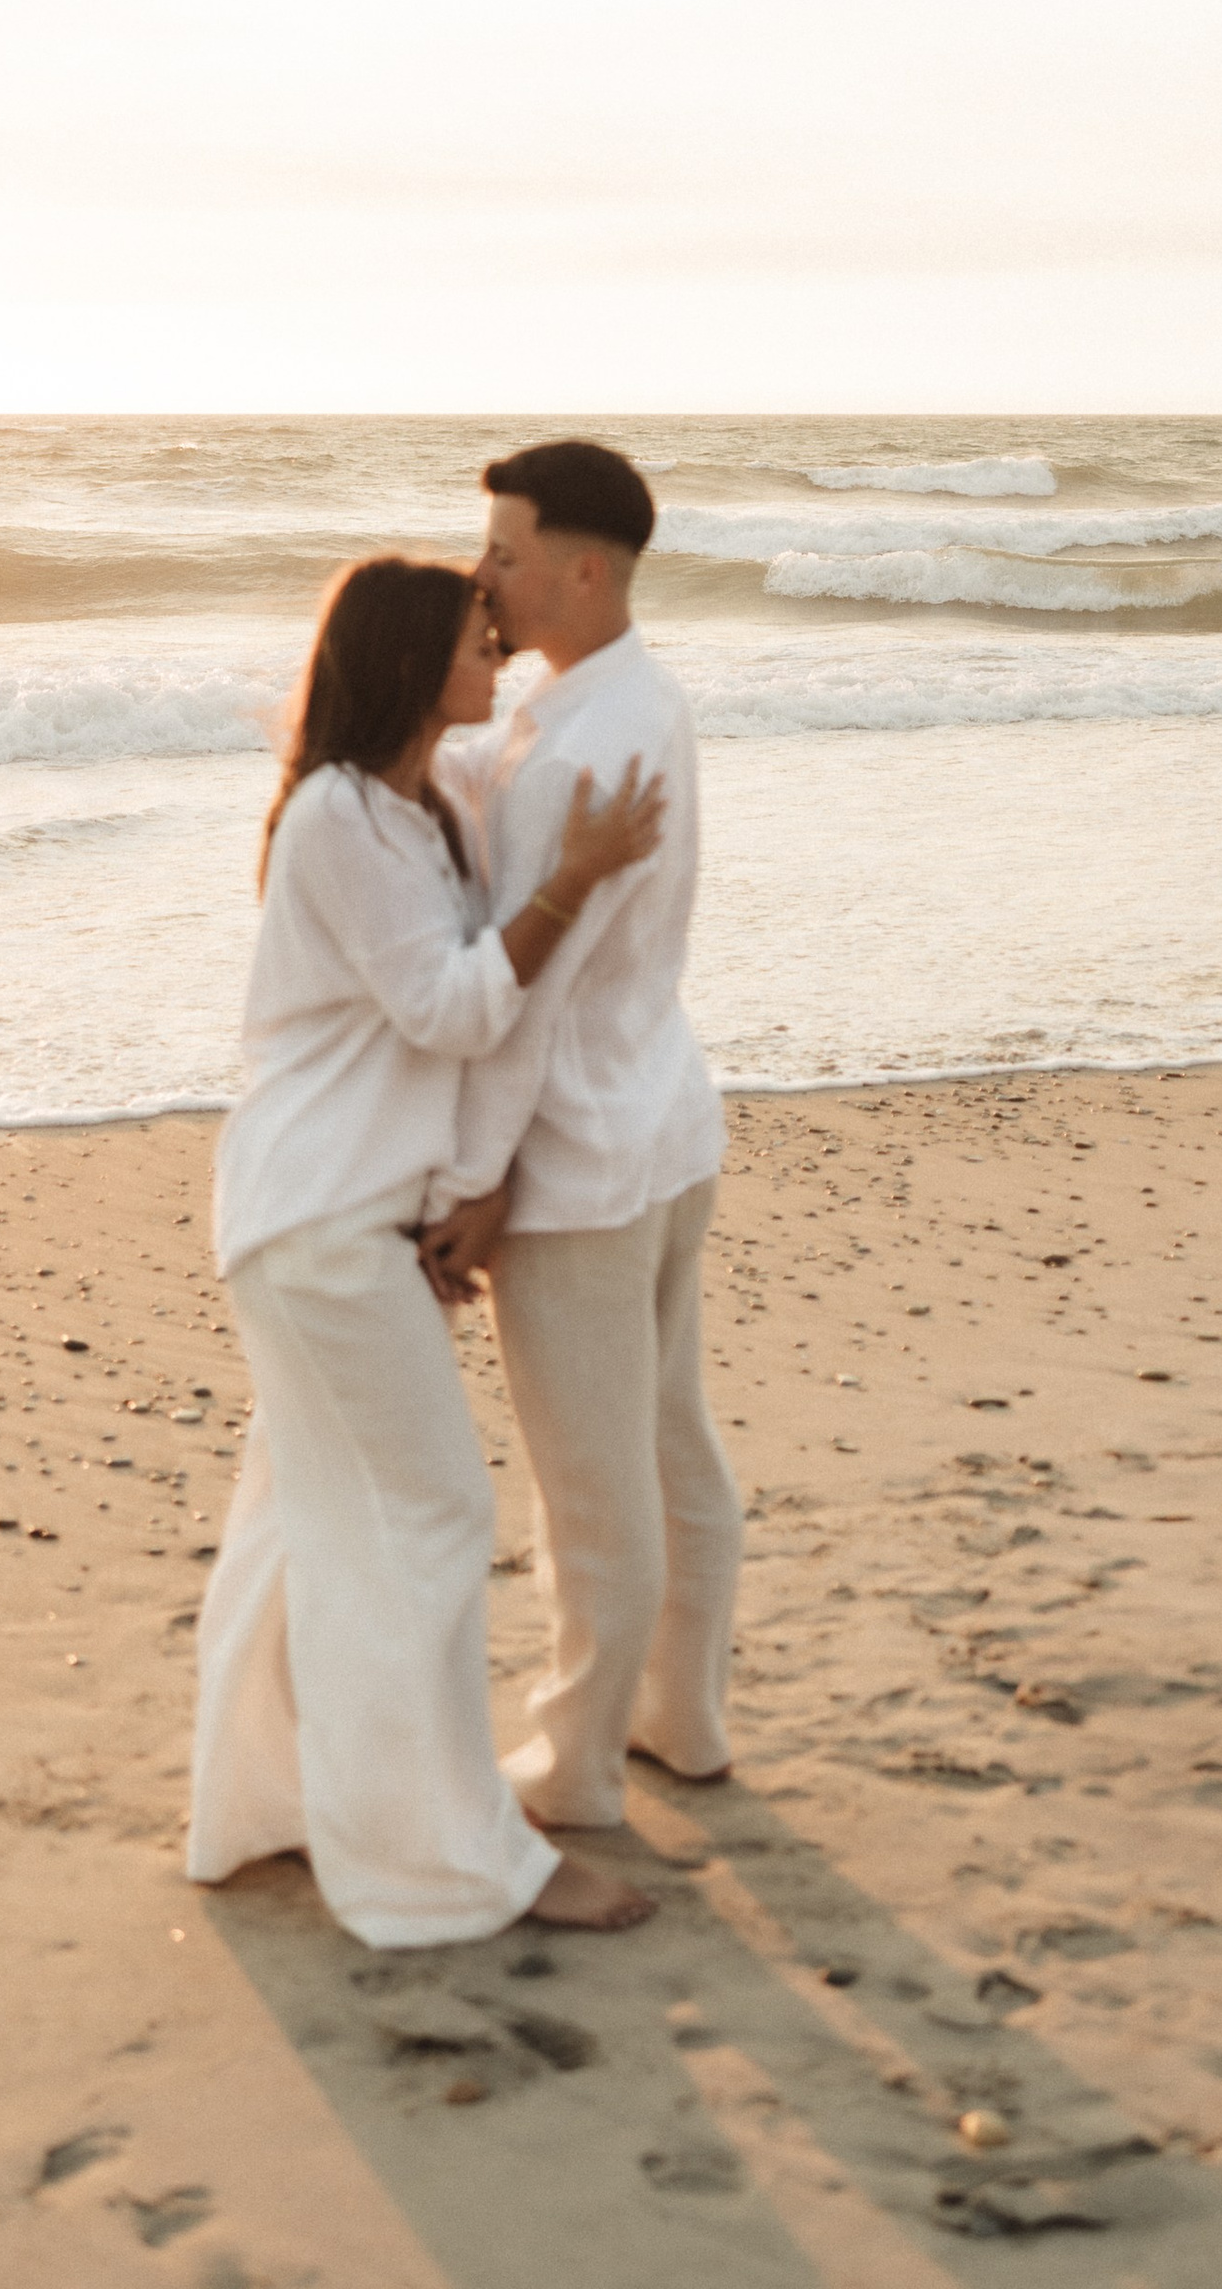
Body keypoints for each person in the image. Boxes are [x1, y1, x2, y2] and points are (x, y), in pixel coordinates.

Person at [186, 554, 666, 1948]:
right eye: (475, 638)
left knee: (303, 1524)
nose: (501, 653)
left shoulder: (428, 803)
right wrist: (572, 881)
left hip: (355, 1214)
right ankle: (442, 1860)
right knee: (428, 1518)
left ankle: (262, 1808)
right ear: (406, 661)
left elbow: (456, 1024)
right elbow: (455, 1010)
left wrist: (460, 1190)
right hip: (314, 1223)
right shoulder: (338, 818)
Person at [421, 440, 745, 1832]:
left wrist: (476, 1182)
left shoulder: (578, 756)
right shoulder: (629, 702)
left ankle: (576, 1766)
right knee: (673, 1448)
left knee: (591, 1488)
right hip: (662, 1121)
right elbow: (495, 757)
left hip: (583, 1160)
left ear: (581, 568)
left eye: (500, 550)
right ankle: (685, 1714)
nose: (479, 573)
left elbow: (523, 1005)